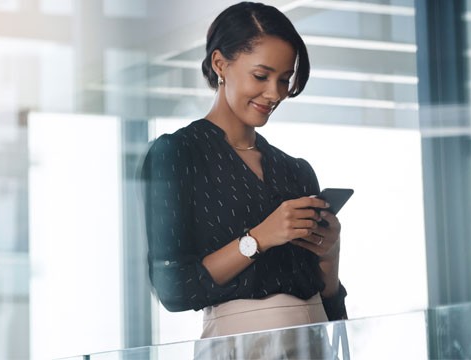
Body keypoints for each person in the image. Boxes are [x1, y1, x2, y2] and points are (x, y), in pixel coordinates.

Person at [142, 0, 347, 346]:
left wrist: (329, 254)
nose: (275, 93)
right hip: (243, 344)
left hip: (313, 339)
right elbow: (174, 290)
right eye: (261, 76)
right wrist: (259, 238)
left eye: (284, 80)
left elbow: (330, 303)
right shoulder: (177, 154)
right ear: (220, 63)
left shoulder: (295, 170)